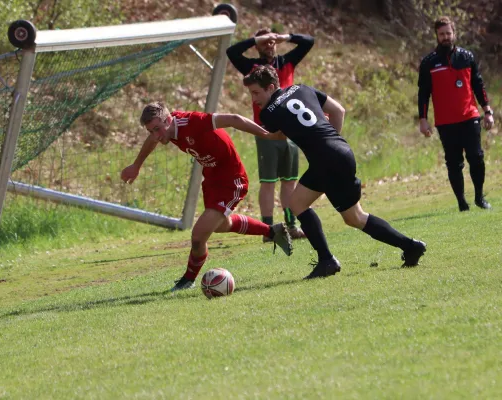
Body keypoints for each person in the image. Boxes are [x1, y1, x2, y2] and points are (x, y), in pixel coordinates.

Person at [243, 65, 427, 279]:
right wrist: (331, 141)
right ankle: (410, 246)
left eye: (256, 92)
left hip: (325, 160)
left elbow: (276, 137)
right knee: (349, 216)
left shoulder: (268, 112)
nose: (254, 99)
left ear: (271, 87)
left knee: (310, 207)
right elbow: (339, 110)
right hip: (341, 151)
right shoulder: (302, 88)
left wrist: (242, 125)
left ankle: (327, 260)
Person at [120, 102, 293, 291]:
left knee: (198, 236)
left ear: (169, 120)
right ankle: (272, 231)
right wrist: (136, 165)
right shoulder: (166, 131)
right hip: (211, 180)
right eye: (151, 131)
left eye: (157, 129)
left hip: (231, 179)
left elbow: (234, 119)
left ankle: (187, 280)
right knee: (220, 225)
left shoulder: (193, 122)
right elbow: (152, 141)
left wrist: (267, 135)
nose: (155, 136)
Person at [227, 28, 315, 241]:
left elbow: (308, 41)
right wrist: (256, 39)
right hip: (266, 131)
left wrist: (285, 37)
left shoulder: (287, 61)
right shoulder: (252, 68)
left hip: (291, 130)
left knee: (289, 181)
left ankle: (291, 225)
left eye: (271, 42)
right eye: (264, 43)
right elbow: (232, 52)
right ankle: (268, 230)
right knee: (268, 181)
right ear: (257, 46)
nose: (269, 45)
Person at [418, 16, 495, 211]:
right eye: (442, 34)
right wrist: (423, 120)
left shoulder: (467, 57)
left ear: (454, 34)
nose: (445, 37)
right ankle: (462, 202)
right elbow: (423, 94)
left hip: (470, 117)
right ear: (437, 35)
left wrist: (487, 111)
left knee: (476, 157)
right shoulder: (429, 62)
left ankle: (479, 197)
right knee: (454, 163)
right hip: (445, 122)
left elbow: (478, 85)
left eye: (448, 33)